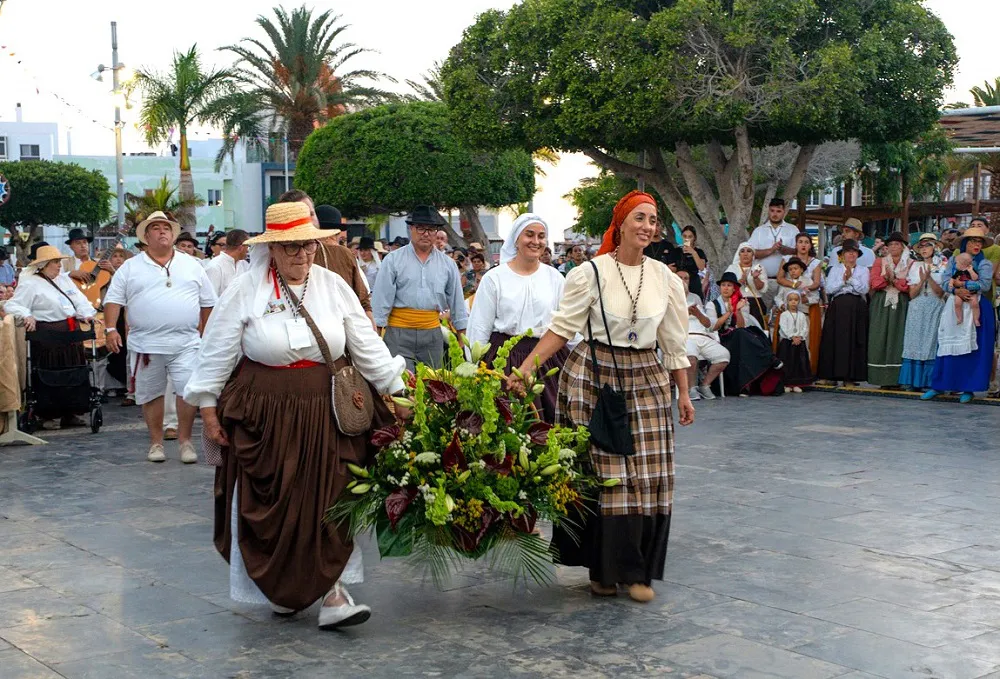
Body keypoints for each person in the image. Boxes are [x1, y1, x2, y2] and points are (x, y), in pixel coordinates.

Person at [184, 201, 404, 629]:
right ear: (272, 251)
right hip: (267, 415)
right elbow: (216, 352)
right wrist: (208, 411)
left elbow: (365, 344)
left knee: (334, 496)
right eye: (289, 249)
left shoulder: (332, 286)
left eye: (306, 246)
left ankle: (334, 593)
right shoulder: (246, 289)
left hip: (327, 412)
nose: (300, 256)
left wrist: (396, 391)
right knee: (275, 504)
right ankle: (284, 588)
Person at [508, 191, 694, 604]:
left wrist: (684, 392)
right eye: (640, 218)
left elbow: (675, 343)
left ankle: (637, 572)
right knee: (604, 477)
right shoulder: (589, 273)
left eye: (653, 220)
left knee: (646, 476)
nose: (648, 226)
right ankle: (603, 571)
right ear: (623, 222)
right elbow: (560, 329)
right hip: (594, 376)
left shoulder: (664, 277)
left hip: (646, 376)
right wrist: (524, 369)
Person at [103, 211, 217, 463]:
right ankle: (156, 443)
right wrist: (110, 329)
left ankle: (186, 442)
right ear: (146, 236)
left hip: (186, 341)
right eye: (155, 228)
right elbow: (113, 300)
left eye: (166, 227)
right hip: (146, 343)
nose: (162, 231)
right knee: (150, 394)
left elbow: (208, 303)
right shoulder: (131, 267)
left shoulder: (192, 265)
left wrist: (206, 334)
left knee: (187, 390)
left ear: (173, 234)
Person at [467, 213, 568, 423]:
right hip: (504, 358)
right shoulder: (494, 278)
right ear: (516, 238)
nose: (536, 241)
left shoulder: (556, 279)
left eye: (541, 236)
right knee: (506, 421)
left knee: (548, 421)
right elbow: (479, 327)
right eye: (529, 235)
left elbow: (566, 325)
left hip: (546, 359)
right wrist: (473, 368)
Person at [5, 244, 98, 429]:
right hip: (47, 336)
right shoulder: (31, 283)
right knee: (50, 376)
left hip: (71, 334)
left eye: (59, 262)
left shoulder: (64, 280)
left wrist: (87, 314)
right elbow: (12, 305)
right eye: (55, 262)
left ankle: (71, 412)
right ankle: (48, 415)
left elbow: (80, 301)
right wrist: (26, 315)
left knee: (73, 373)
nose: (59, 265)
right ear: (44, 265)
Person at [372, 205, 468, 370]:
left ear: (436, 232)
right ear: (411, 229)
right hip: (398, 332)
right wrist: (375, 340)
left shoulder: (448, 264)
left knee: (434, 386)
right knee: (401, 386)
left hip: (432, 334)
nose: (426, 233)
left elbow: (457, 304)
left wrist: (461, 341)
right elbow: (380, 303)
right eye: (421, 228)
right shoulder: (393, 260)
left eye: (431, 229)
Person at [923, 224, 995, 403]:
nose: (976, 245)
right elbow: (947, 281)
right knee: (948, 346)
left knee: (974, 349)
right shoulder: (955, 261)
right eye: (972, 241)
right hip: (955, 306)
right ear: (965, 243)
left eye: (979, 241)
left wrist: (964, 287)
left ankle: (968, 387)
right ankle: (940, 385)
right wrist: (956, 292)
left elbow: (985, 285)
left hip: (975, 304)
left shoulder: (984, 264)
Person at [282, 195, 374, 327]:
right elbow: (363, 300)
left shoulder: (293, 254)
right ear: (337, 232)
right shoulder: (345, 254)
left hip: (303, 322)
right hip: (345, 325)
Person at [714, 272, 784, 396]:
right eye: (723, 285)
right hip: (720, 338)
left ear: (734, 288)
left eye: (729, 285)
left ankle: (745, 386)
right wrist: (728, 313)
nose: (725, 288)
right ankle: (770, 358)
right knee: (743, 336)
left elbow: (741, 326)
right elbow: (714, 326)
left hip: (737, 337)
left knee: (747, 335)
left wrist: (738, 310)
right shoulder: (713, 304)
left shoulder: (740, 303)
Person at [817, 239, 869, 385]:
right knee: (832, 340)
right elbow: (829, 289)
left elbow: (864, 289)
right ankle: (829, 375)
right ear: (843, 255)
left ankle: (850, 377)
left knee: (853, 341)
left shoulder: (863, 270)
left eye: (853, 252)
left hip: (856, 306)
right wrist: (843, 281)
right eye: (848, 252)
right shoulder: (835, 269)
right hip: (838, 305)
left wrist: (850, 279)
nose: (851, 254)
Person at [899, 234, 947, 391]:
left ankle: (929, 381)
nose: (924, 249)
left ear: (935, 248)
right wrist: (922, 281)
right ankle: (912, 381)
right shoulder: (914, 266)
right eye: (922, 246)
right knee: (914, 340)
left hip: (934, 306)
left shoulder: (942, 266)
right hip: (917, 306)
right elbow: (912, 294)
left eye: (927, 246)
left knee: (931, 341)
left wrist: (930, 279)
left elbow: (941, 293)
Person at [867, 232, 912, 387]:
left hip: (901, 302)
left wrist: (893, 280)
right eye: (891, 244)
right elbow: (875, 282)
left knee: (898, 337)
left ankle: (898, 378)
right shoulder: (880, 262)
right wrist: (890, 280)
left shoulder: (910, 263)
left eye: (897, 244)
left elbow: (908, 285)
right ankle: (880, 377)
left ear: (903, 246)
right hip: (882, 302)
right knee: (879, 336)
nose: (894, 247)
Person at [679, 269, 729, 401]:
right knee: (691, 357)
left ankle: (705, 385)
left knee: (723, 355)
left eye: (686, 278)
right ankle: (691, 388)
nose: (683, 281)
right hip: (685, 336)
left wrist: (698, 314)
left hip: (703, 335)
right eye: (680, 278)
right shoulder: (666, 299)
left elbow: (708, 324)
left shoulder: (695, 298)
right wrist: (685, 313)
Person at [777, 233, 823, 374]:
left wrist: (806, 293)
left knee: (805, 340)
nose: (803, 245)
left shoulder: (815, 263)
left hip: (804, 308)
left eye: (806, 242)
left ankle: (804, 373)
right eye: (800, 242)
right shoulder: (786, 260)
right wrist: (794, 284)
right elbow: (780, 279)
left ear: (810, 245)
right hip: (787, 307)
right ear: (796, 245)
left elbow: (816, 284)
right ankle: (786, 374)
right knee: (785, 341)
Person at [748, 198, 799, 306]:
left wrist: (786, 250)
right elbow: (750, 253)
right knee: (763, 314)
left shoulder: (792, 229)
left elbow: (799, 252)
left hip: (786, 281)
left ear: (784, 212)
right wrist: (771, 250)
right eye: (772, 211)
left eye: (778, 211)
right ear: (768, 211)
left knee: (784, 313)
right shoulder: (759, 231)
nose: (775, 214)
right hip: (763, 280)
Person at [725, 242, 769, 328]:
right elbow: (726, 287)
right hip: (737, 302)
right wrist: (741, 281)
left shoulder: (759, 268)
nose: (745, 254)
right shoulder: (732, 268)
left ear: (753, 254)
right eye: (742, 251)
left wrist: (755, 278)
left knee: (757, 329)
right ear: (739, 254)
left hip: (755, 303)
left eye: (749, 251)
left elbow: (762, 289)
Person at [776, 291, 811, 392]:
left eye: (796, 300)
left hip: (799, 342)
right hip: (788, 343)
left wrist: (799, 337)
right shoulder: (784, 315)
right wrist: (792, 336)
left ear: (799, 301)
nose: (793, 302)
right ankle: (786, 384)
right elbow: (783, 327)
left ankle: (797, 384)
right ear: (787, 301)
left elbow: (805, 327)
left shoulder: (802, 315)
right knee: (787, 363)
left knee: (799, 364)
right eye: (790, 300)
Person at [204, 230, 250, 297]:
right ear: (241, 248)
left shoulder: (243, 264)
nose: (248, 250)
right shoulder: (215, 266)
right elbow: (210, 299)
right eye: (248, 246)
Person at [667, 226, 708, 300]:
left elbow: (701, 267)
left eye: (690, 236)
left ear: (694, 238)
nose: (687, 238)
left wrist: (693, 252)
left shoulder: (698, 252)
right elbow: (672, 268)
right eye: (685, 236)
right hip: (679, 281)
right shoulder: (676, 251)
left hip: (693, 282)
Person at [950, 253, 981, 326]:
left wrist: (971, 271)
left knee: (975, 304)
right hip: (960, 291)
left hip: (971, 291)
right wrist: (951, 283)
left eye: (957, 263)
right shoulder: (958, 272)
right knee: (957, 303)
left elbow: (975, 278)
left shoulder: (972, 270)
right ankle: (959, 318)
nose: (956, 264)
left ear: (962, 263)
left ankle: (976, 319)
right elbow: (953, 278)